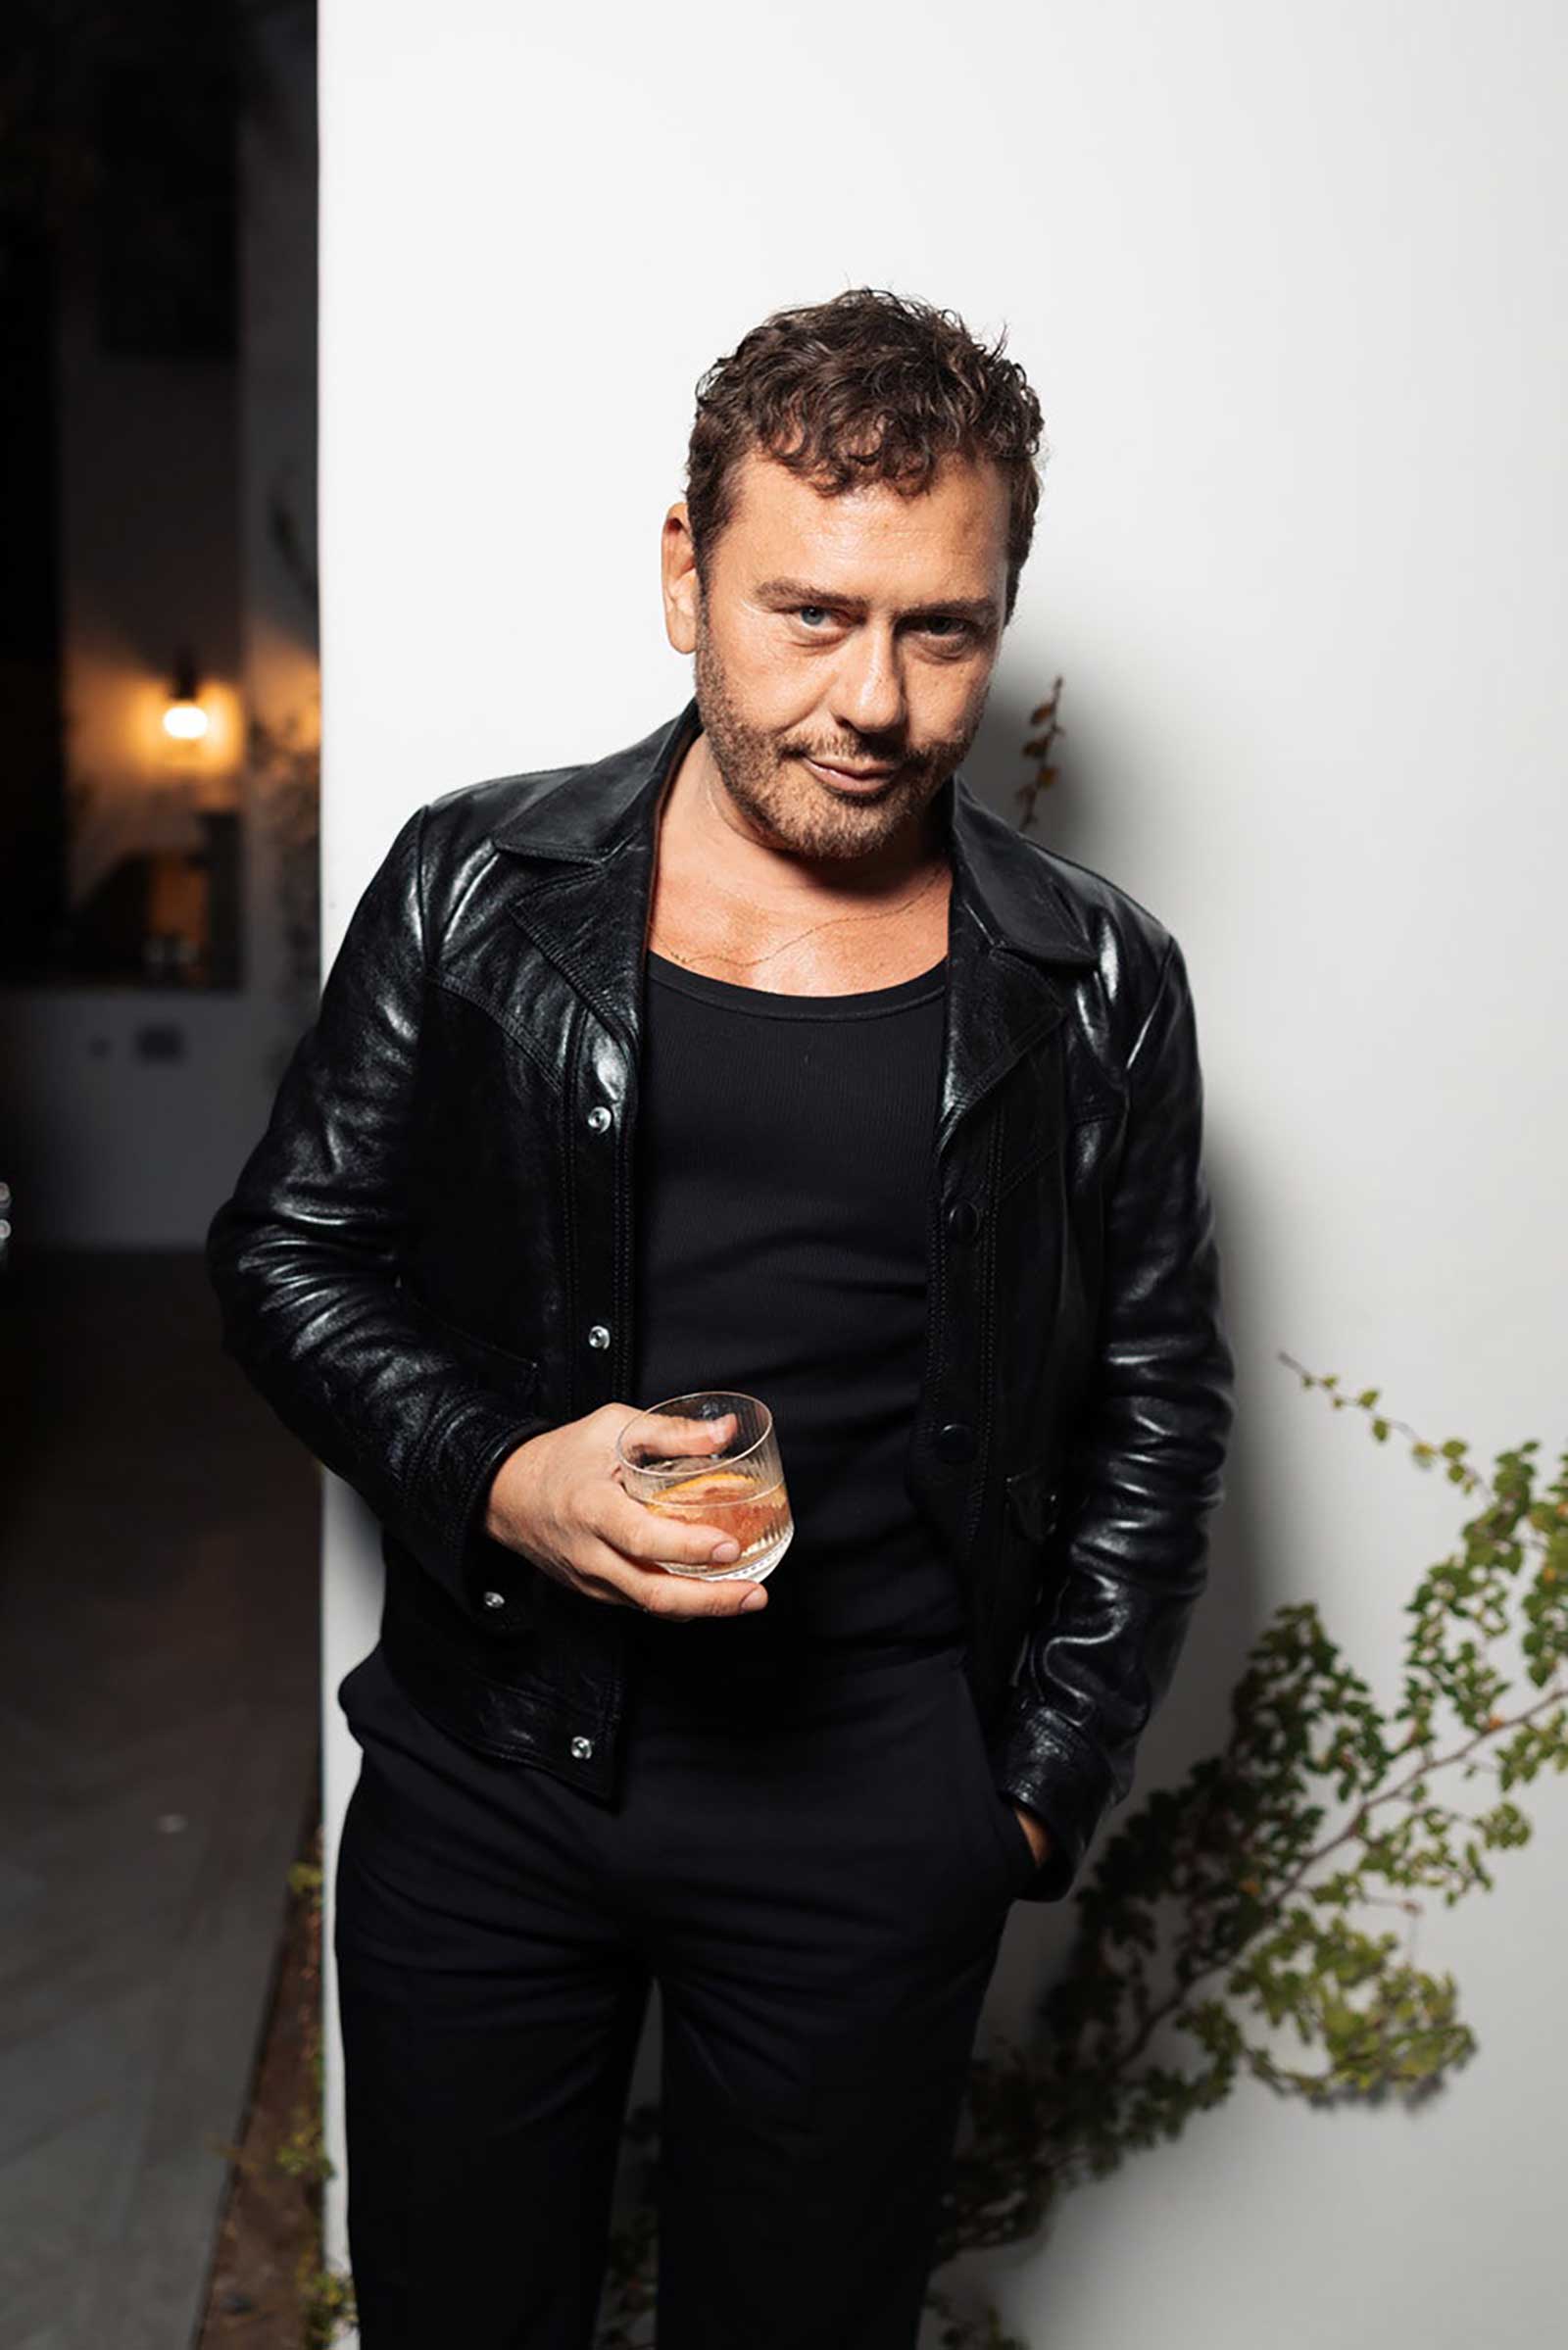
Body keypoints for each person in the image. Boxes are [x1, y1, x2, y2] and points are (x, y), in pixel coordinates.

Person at [206, 285, 1236, 2350]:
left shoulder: (1092, 979)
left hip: (872, 1815)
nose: (870, 696)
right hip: (497, 1784)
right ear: (685, 577)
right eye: (807, 612)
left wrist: (1021, 1789)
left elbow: (1153, 1402)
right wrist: (497, 1467)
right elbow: (283, 1250)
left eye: (937, 629)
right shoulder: (477, 883)